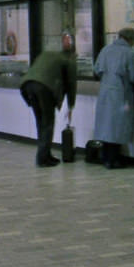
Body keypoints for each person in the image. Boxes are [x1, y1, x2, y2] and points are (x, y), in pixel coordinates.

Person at [19, 32, 77, 167]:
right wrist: (71, 106)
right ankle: (43, 158)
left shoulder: (47, 54)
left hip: (27, 86)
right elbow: (71, 84)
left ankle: (45, 154)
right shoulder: (69, 59)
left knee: (41, 122)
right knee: (47, 123)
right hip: (44, 88)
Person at [92, 27, 134, 169]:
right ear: (131, 39)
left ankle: (106, 157)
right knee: (118, 126)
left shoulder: (105, 50)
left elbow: (96, 69)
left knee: (106, 125)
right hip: (121, 93)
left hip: (105, 91)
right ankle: (114, 159)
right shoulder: (130, 53)